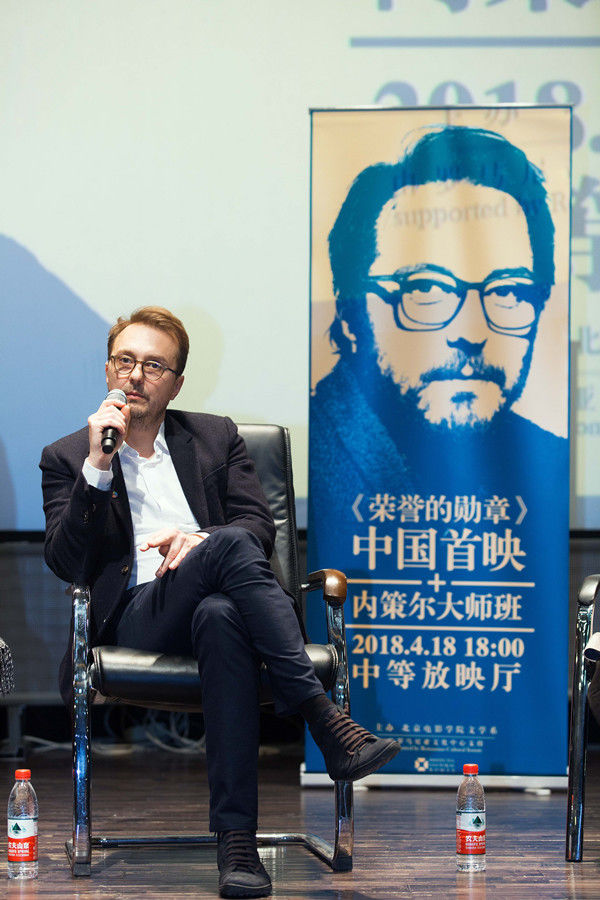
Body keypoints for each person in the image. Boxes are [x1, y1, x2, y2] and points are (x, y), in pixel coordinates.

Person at [40, 306, 400, 899]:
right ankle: (322, 718)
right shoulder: (69, 456)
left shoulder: (214, 436)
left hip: (221, 608)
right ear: (107, 370)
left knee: (221, 612)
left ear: (177, 383)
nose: (136, 375)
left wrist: (197, 541)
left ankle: (238, 848)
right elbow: (65, 562)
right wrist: (98, 468)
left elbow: (259, 526)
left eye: (154, 365)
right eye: (124, 361)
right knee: (226, 544)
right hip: (136, 618)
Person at [310, 125, 567, 531]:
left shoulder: (549, 462)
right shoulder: (312, 460)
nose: (472, 334)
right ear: (350, 313)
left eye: (510, 292)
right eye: (425, 288)